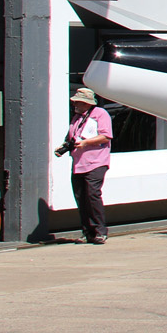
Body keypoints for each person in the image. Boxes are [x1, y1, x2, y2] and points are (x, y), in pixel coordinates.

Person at [57, 87, 112, 244]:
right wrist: (64, 147)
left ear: (87, 103)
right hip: (78, 163)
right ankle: (87, 232)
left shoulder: (100, 114)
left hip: (96, 162)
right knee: (81, 197)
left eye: (78, 102)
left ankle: (100, 231)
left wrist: (86, 142)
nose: (75, 105)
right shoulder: (77, 117)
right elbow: (72, 137)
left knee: (92, 194)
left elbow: (106, 136)